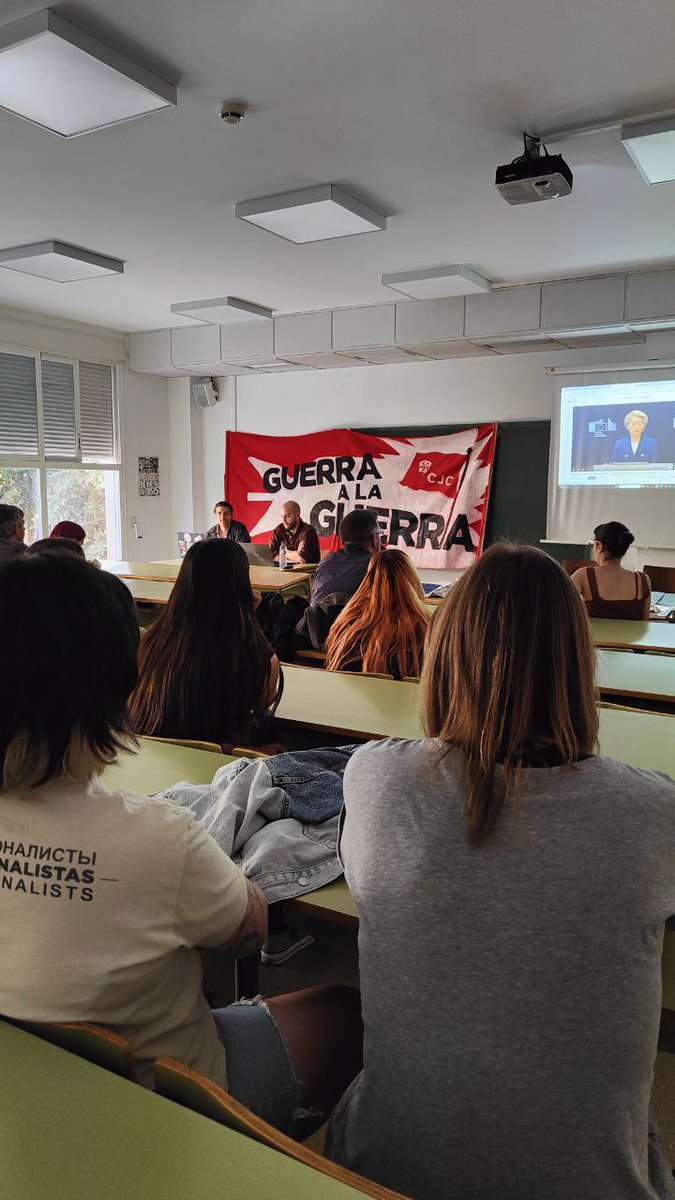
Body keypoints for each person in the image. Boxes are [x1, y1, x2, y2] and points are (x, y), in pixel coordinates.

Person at [326, 543, 675, 1200]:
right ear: (579, 663)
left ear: (445, 653)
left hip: (383, 1170)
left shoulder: (371, 777)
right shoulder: (653, 811)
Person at [0, 551, 362, 1125]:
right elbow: (249, 931)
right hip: (169, 1096)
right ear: (115, 684)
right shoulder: (158, 836)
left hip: (30, 1093)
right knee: (346, 1012)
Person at [128, 539, 280, 748]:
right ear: (242, 583)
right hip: (213, 769)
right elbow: (263, 702)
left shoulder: (151, 642)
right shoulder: (257, 658)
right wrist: (249, 618)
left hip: (150, 756)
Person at [325, 549, 429, 679]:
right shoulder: (425, 628)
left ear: (370, 577)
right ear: (412, 578)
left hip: (353, 696)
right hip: (405, 697)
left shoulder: (347, 622)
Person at [571, 521, 650, 619]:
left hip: (595, 635)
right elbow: (645, 621)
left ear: (599, 547)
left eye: (593, 544)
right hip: (631, 634)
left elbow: (559, 606)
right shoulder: (643, 579)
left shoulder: (583, 575)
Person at [311, 510, 381, 608]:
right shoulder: (378, 566)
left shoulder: (325, 563)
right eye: (379, 534)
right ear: (375, 539)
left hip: (314, 621)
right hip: (355, 622)